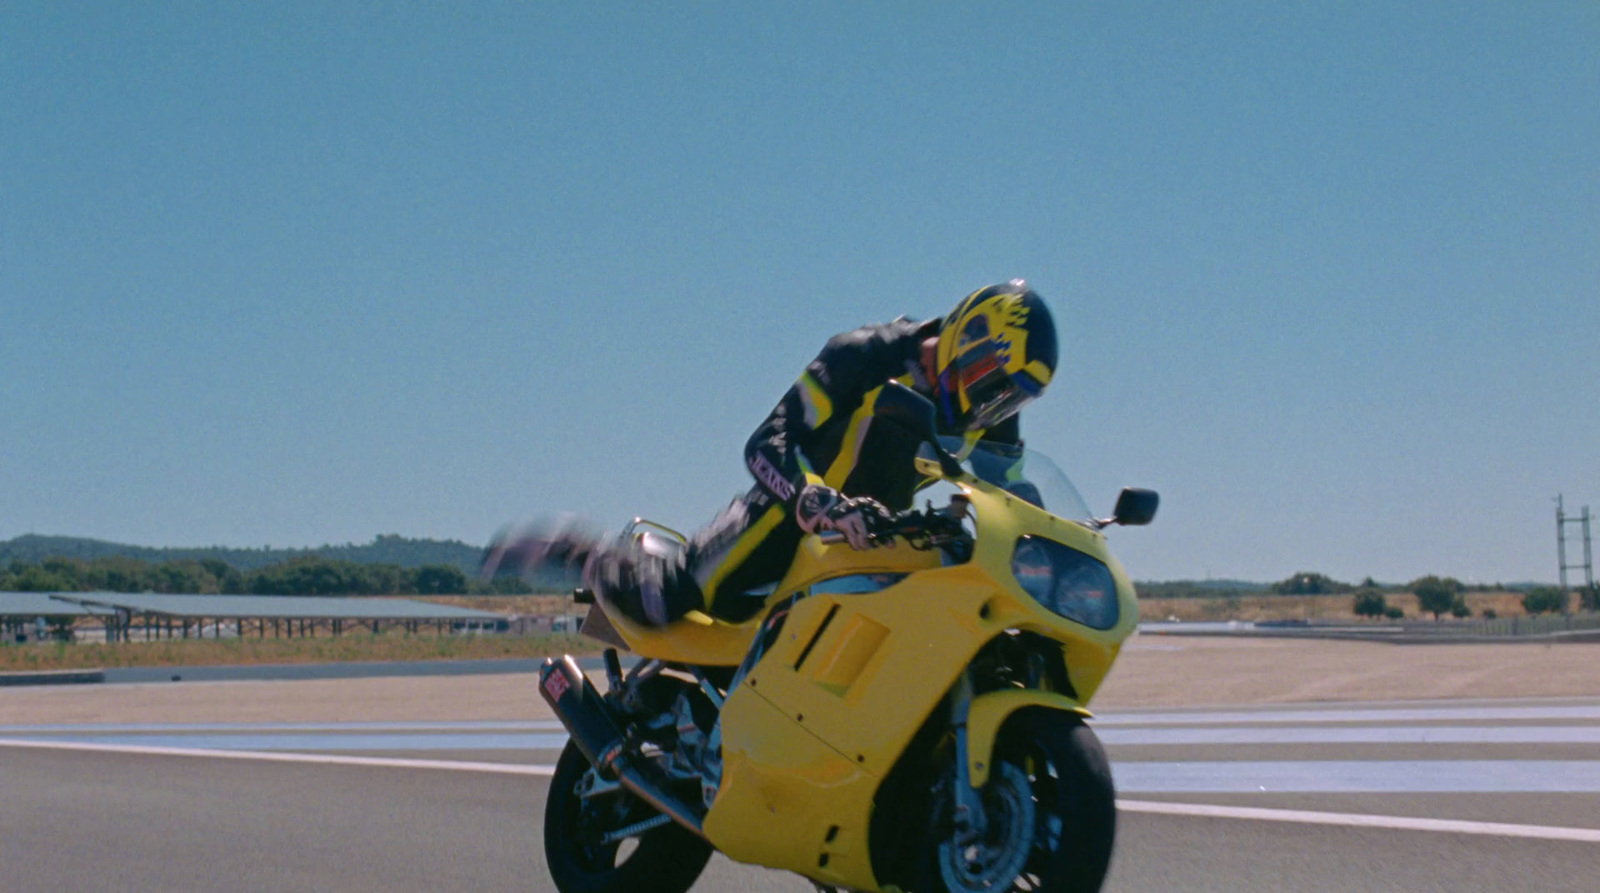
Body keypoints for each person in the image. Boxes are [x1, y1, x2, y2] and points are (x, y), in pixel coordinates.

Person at [485, 280, 1058, 627]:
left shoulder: (991, 416)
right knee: (665, 597)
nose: (991, 400)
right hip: (787, 519)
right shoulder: (863, 356)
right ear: (968, 334)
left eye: (1008, 395)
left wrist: (1054, 540)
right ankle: (580, 550)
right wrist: (813, 499)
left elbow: (1013, 491)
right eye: (990, 376)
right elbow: (766, 442)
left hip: (881, 544)